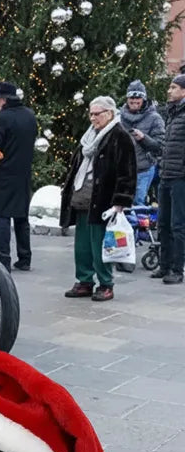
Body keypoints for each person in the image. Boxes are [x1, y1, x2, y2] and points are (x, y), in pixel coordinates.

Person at [59, 97, 136, 302]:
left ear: (109, 114)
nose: (93, 118)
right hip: (82, 198)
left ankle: (105, 283)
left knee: (101, 245)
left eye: (97, 114)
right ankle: (84, 281)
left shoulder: (120, 136)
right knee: (82, 246)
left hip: (103, 201)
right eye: (91, 114)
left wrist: (120, 201)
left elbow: (127, 173)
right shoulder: (88, 137)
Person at [0, 82, 38, 272]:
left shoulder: (2, 119)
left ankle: (3, 257)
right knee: (21, 217)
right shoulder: (30, 116)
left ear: (4, 100)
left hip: (1, 175)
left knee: (1, 216)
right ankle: (25, 257)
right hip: (22, 173)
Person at [154, 74, 185, 284]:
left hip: (179, 177)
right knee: (163, 223)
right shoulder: (172, 113)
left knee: (177, 225)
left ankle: (176, 269)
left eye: (173, 88)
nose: (169, 91)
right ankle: (163, 265)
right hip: (165, 174)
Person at [118, 80, 164, 206]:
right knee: (120, 204)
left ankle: (138, 226)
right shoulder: (119, 117)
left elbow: (160, 146)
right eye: (131, 98)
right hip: (121, 170)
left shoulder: (155, 118)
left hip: (143, 170)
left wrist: (143, 138)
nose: (134, 102)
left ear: (143, 99)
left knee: (138, 204)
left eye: (137, 99)